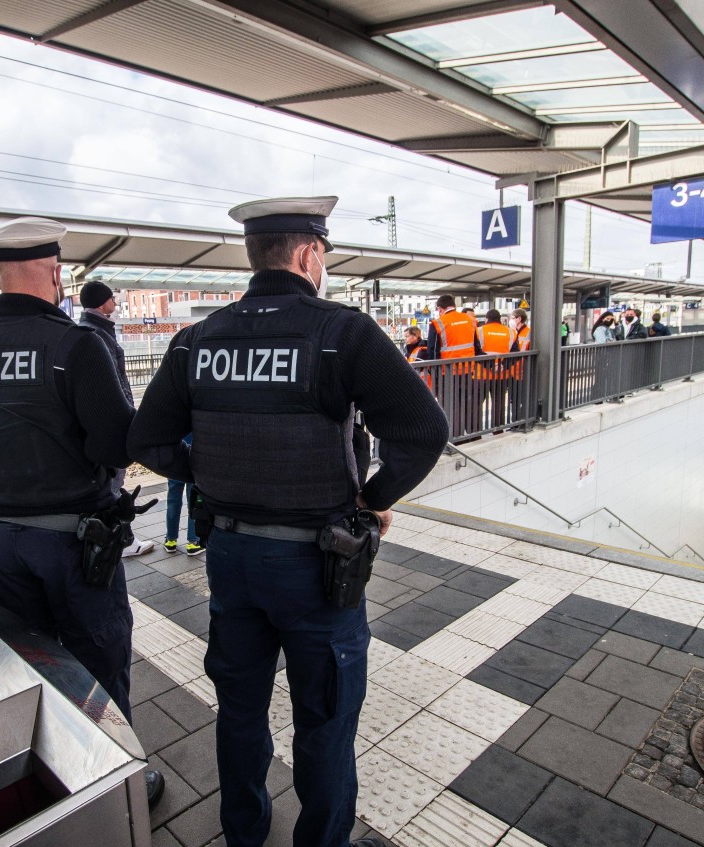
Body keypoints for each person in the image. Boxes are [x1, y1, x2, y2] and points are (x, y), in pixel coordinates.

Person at [128, 196, 449, 847]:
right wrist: (371, 495)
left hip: (232, 560)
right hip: (318, 567)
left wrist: (206, 472)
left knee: (239, 711)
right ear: (309, 255)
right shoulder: (341, 332)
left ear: (255, 257)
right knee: (324, 720)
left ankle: (244, 835)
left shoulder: (197, 339)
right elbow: (422, 429)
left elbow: (148, 438)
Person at [0, 217, 165, 808]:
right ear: (55, 274)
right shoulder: (78, 346)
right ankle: (119, 784)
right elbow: (113, 445)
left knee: (37, 659)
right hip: (78, 544)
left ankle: (59, 777)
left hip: (6, 540)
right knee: (98, 660)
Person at [78, 280, 155, 557]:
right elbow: (112, 383)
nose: (116, 304)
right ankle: (120, 540)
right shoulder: (98, 334)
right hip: (109, 421)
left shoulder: (84, 330)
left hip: (92, 423)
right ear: (103, 303)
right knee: (112, 484)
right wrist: (126, 416)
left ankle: (112, 536)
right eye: (112, 299)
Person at [426, 294, 483, 438]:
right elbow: (477, 347)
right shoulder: (470, 321)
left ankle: (455, 438)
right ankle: (474, 435)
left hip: (447, 373)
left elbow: (432, 353)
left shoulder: (437, 324)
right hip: (468, 370)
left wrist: (435, 375)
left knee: (451, 406)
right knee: (469, 403)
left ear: (440, 308)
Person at [164, 434, 202, 556]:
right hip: (193, 454)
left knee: (173, 500)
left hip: (175, 455)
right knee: (194, 500)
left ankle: (170, 540)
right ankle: (193, 541)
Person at [478, 309, 513, 430]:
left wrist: (491, 366)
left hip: (481, 374)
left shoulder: (479, 331)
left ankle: (476, 433)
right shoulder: (510, 332)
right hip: (502, 375)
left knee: (477, 404)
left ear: (487, 319)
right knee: (499, 403)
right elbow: (515, 354)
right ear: (499, 319)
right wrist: (503, 366)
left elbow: (477, 352)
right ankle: (498, 429)